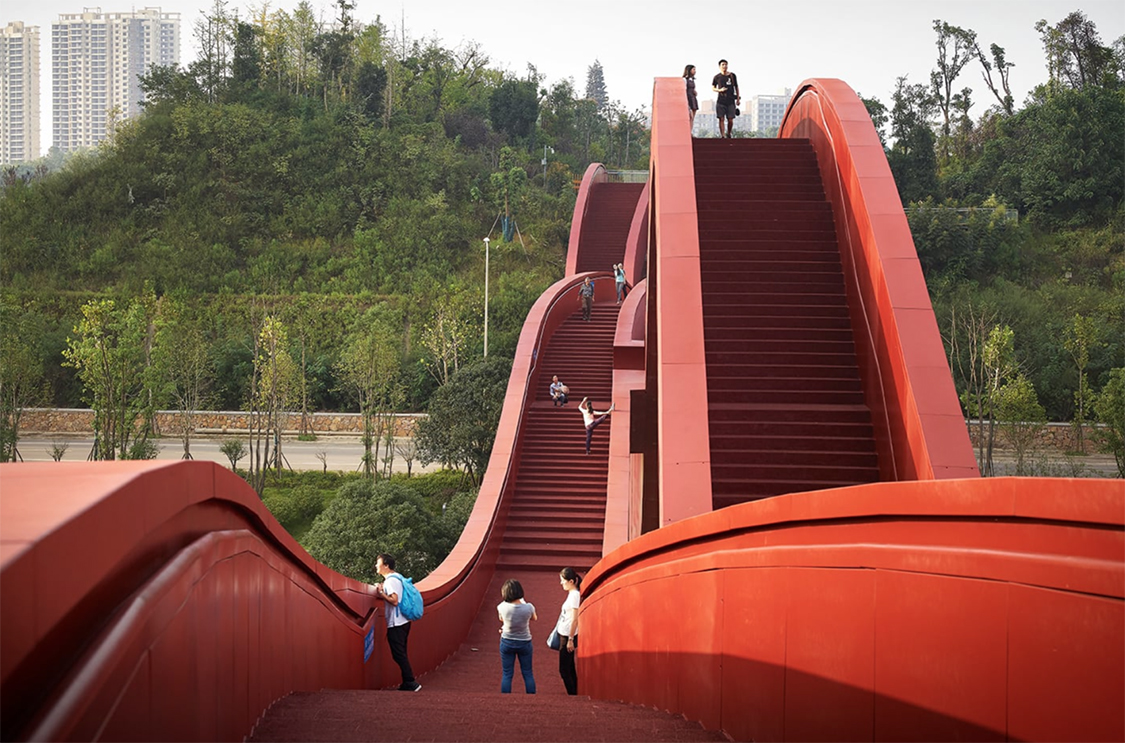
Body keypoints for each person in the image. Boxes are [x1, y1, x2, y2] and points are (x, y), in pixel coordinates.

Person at [374, 554, 422, 692]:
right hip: (404, 621)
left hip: (397, 623)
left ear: (386, 565)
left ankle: (411, 682)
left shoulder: (390, 581)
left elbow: (394, 601)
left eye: (378, 563)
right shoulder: (398, 578)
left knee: (398, 654)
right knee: (401, 653)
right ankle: (407, 682)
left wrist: (381, 593)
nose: (376, 566)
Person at [497, 579, 537, 694]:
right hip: (524, 641)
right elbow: (534, 618)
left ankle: (505, 698)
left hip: (507, 641)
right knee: (528, 672)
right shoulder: (529, 607)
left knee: (507, 673)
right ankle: (531, 697)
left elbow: (501, 619)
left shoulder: (501, 607)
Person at [555, 567, 582, 695]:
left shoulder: (575, 596)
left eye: (563, 580)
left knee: (564, 669)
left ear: (571, 581)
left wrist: (570, 639)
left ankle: (572, 694)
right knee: (570, 667)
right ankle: (574, 692)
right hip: (564, 634)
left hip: (567, 636)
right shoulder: (572, 594)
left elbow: (575, 619)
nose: (561, 583)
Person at [712, 59, 740, 139]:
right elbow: (713, 87)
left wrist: (738, 98)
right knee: (721, 118)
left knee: (730, 119)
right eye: (723, 65)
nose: (725, 66)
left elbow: (736, 87)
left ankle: (729, 133)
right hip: (721, 101)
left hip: (731, 101)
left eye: (726, 64)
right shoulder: (717, 77)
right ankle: (723, 135)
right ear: (719, 66)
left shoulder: (732, 75)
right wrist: (719, 90)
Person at [683, 64, 698, 129]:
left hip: (693, 97)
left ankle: (690, 130)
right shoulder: (685, 79)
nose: (695, 71)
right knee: (690, 116)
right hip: (688, 98)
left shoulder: (692, 79)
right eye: (693, 69)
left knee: (692, 117)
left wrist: (694, 91)